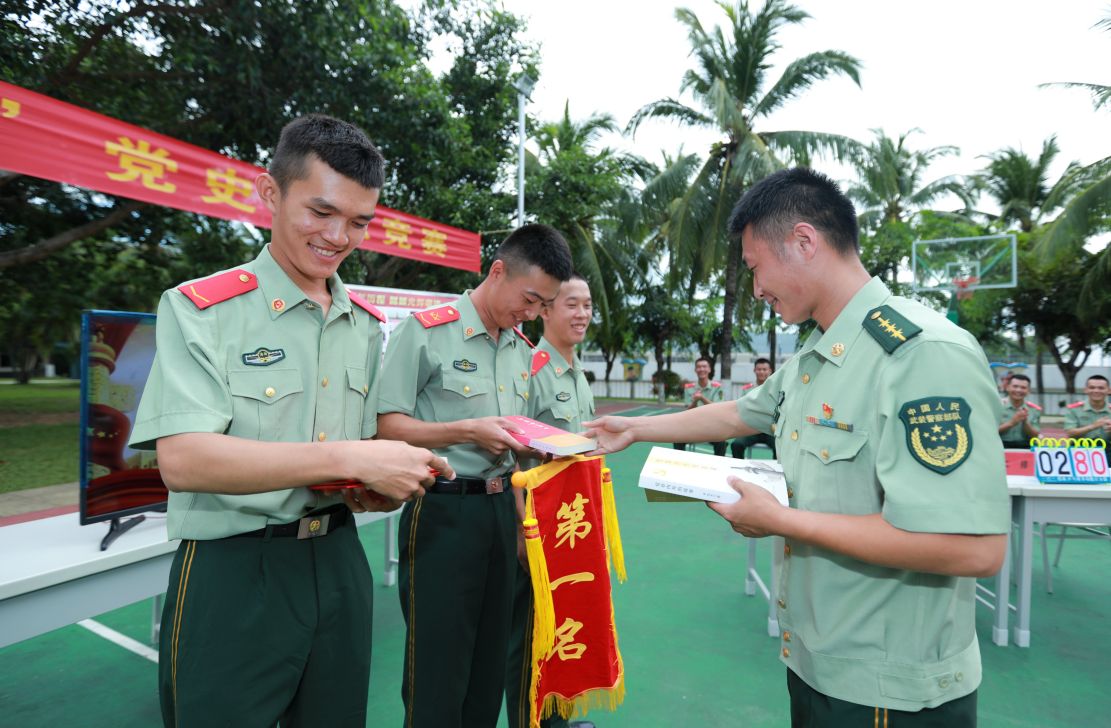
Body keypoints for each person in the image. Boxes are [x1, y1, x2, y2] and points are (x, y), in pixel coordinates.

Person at [585, 168, 1009, 727]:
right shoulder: (819, 353)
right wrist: (636, 430)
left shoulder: (919, 353)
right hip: (818, 665)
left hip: (890, 692)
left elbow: (972, 548)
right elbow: (742, 411)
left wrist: (783, 521)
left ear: (805, 242)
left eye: (757, 267)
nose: (756, 289)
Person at [128, 115, 451, 728]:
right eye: (321, 212)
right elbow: (184, 460)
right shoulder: (203, 310)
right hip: (234, 571)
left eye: (359, 222)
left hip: (337, 563)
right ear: (270, 193)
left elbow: (349, 467)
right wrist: (352, 459)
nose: (339, 237)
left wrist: (375, 487)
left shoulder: (364, 324)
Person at [376, 224, 574, 728]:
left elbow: (517, 436)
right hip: (442, 510)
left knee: (489, 666)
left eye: (542, 306)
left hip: (500, 512)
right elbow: (384, 426)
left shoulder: (521, 350)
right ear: (498, 270)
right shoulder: (425, 332)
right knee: (439, 670)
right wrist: (465, 430)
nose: (531, 313)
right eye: (529, 298)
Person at [503, 272, 597, 728]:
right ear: (545, 311)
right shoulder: (531, 370)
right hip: (541, 527)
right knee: (531, 637)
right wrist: (524, 532)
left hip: (574, 525)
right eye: (572, 305)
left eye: (588, 306)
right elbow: (511, 461)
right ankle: (532, 721)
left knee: (569, 625)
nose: (582, 315)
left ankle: (560, 713)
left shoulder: (578, 371)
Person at [673, 356, 727, 456]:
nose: (702, 369)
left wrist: (702, 398)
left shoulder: (717, 387)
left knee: (721, 441)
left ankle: (719, 468)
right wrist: (695, 401)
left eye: (704, 367)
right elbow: (687, 411)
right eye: (699, 367)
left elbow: (718, 409)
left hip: (711, 426)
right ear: (695, 370)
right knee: (677, 438)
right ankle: (679, 465)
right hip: (693, 425)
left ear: (709, 369)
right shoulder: (689, 388)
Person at [731, 357, 777, 459]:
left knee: (780, 447)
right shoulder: (747, 389)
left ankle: (777, 473)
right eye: (759, 369)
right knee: (736, 444)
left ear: (770, 371)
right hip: (751, 428)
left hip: (770, 430)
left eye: (764, 369)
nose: (761, 372)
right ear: (754, 370)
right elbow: (742, 408)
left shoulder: (776, 389)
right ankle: (739, 471)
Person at [1064, 374, 1111, 457]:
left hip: (1107, 451)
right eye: (1092, 387)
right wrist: (1093, 426)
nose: (1096, 391)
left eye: (1101, 388)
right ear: (1085, 390)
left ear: (1109, 390)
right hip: (1079, 450)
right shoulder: (1074, 409)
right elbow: (1070, 433)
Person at [998, 373, 1041, 448]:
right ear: (1008, 387)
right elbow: (989, 432)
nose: (1018, 390)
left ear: (1028, 391)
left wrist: (1025, 423)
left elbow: (1035, 435)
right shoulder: (997, 406)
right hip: (1000, 446)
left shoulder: (1034, 409)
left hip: (1025, 447)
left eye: (1023, 387)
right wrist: (1011, 423)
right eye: (1015, 386)